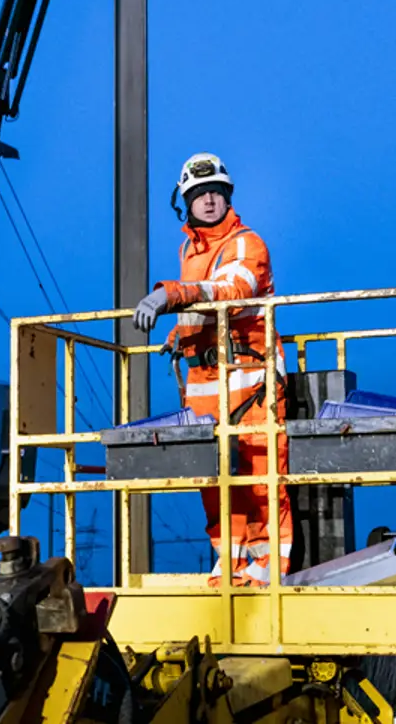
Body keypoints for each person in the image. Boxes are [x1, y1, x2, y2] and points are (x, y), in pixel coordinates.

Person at [133, 153, 292, 586]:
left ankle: (266, 571)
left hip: (250, 383)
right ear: (185, 201)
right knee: (216, 477)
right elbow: (201, 309)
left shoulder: (246, 243)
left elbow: (232, 290)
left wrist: (170, 295)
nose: (207, 200)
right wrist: (176, 337)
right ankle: (231, 565)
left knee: (260, 478)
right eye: (198, 194)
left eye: (214, 192)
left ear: (227, 197)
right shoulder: (191, 249)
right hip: (206, 383)